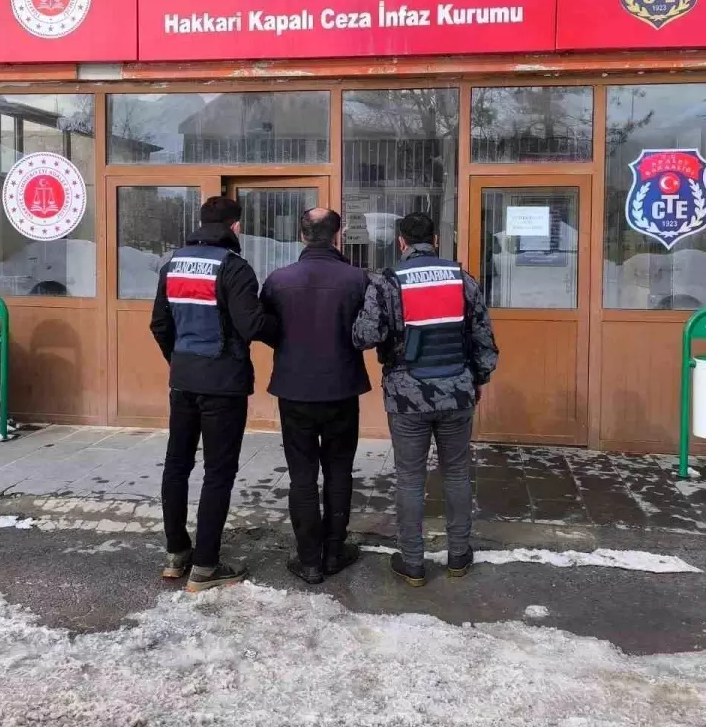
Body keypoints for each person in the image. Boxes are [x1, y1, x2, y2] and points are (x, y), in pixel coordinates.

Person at [352, 211, 498, 587]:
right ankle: (459, 555)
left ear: (401, 242)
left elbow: (366, 336)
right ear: (435, 240)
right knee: (457, 473)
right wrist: (477, 379)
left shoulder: (387, 282)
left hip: (406, 396)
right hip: (457, 391)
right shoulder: (462, 279)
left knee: (409, 478)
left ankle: (413, 562)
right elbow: (483, 338)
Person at [150, 196, 276, 592]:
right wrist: (289, 330)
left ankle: (176, 553)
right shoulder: (234, 268)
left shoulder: (172, 265)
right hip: (223, 384)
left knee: (177, 465)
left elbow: (159, 324)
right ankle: (205, 565)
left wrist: (180, 360)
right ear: (235, 227)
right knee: (218, 472)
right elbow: (252, 324)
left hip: (184, 380)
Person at [261, 208, 370, 585]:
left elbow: (263, 325)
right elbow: (370, 329)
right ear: (337, 236)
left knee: (302, 475)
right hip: (342, 388)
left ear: (302, 235)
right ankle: (334, 552)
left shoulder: (278, 280)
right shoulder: (358, 279)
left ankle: (309, 560)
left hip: (294, 390)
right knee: (339, 470)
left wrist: (287, 344)